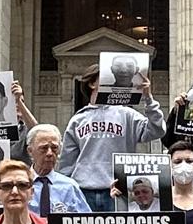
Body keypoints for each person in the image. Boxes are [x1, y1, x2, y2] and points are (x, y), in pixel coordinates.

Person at [60, 68, 167, 211]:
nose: (110, 79)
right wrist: (64, 192)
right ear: (92, 83)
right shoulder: (78, 120)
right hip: (83, 190)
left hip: (117, 189)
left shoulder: (127, 115)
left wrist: (148, 98)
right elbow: (67, 161)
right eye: (105, 76)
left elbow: (157, 130)